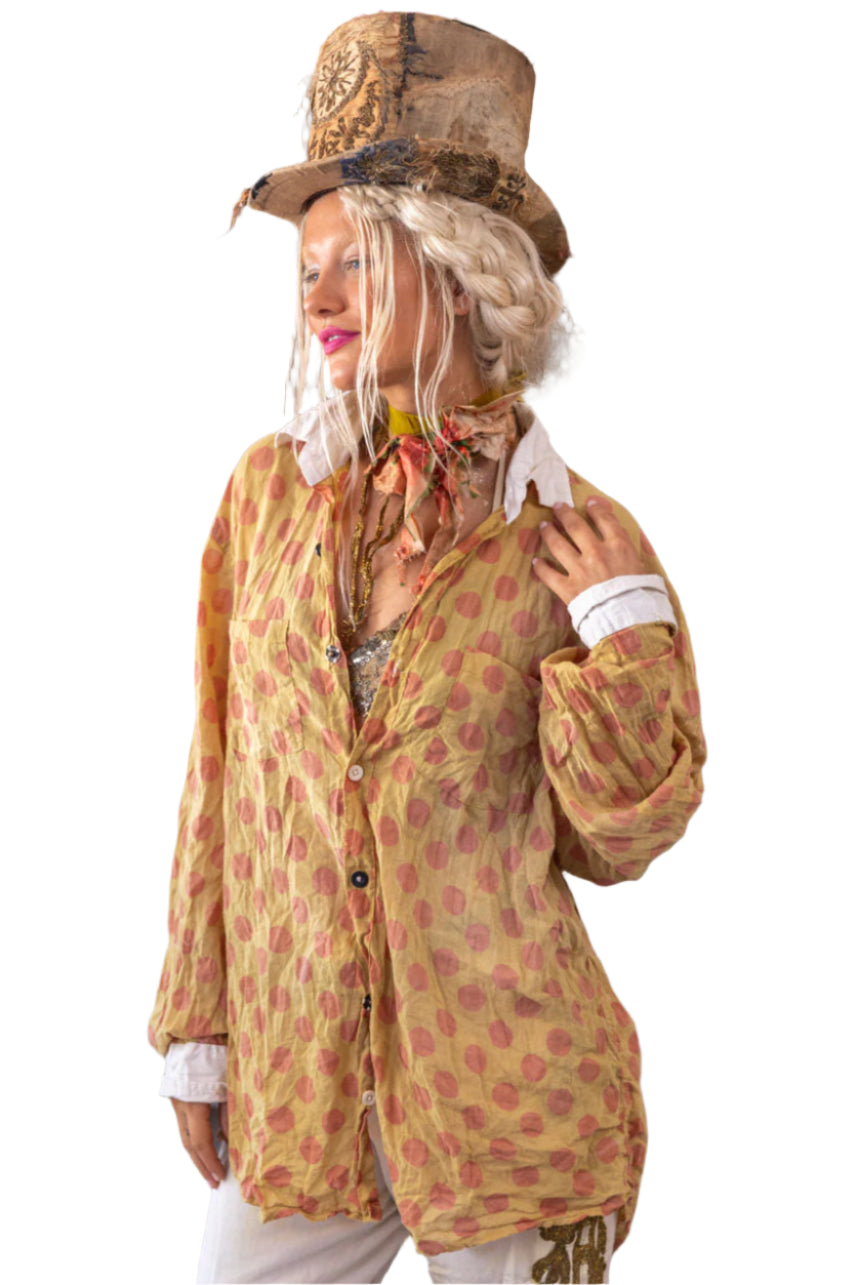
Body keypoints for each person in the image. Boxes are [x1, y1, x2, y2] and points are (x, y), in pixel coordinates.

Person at [148, 13, 707, 1284]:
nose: (317, 296)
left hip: (513, 1107)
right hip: (304, 1087)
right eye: (307, 267)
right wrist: (197, 1024)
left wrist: (622, 637)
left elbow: (622, 839)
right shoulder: (269, 499)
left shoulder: (574, 534)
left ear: (456, 270)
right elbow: (218, 774)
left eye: (356, 259)